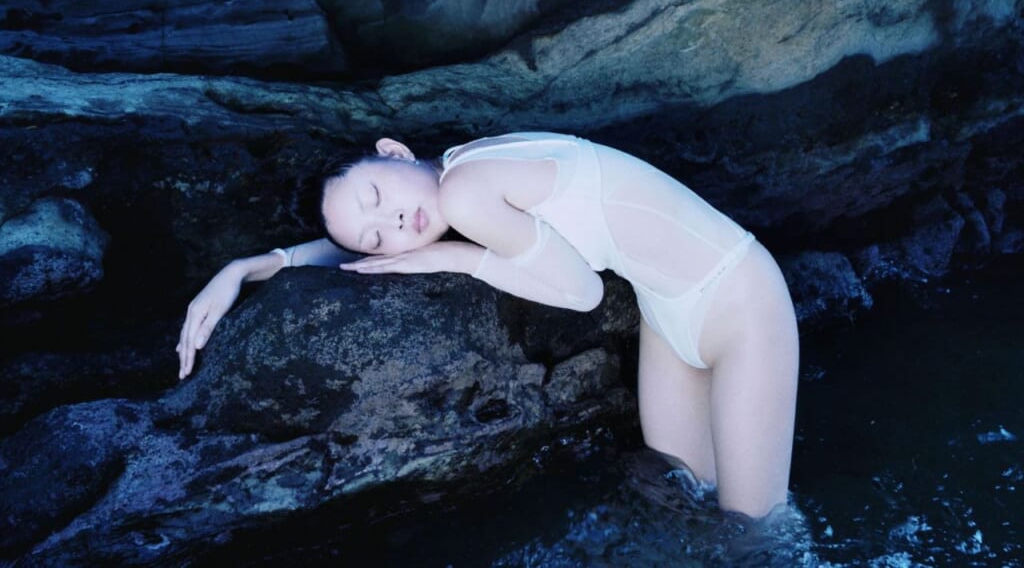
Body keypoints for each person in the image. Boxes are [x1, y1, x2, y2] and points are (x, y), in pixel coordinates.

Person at [177, 131, 799, 519]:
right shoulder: (458, 170)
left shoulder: (464, 193)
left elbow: (580, 294)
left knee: (757, 536)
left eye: (377, 197)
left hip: (739, 302)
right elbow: (363, 249)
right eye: (376, 234)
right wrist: (256, 265)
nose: (394, 223)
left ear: (392, 151)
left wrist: (448, 257)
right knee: (677, 494)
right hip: (668, 317)